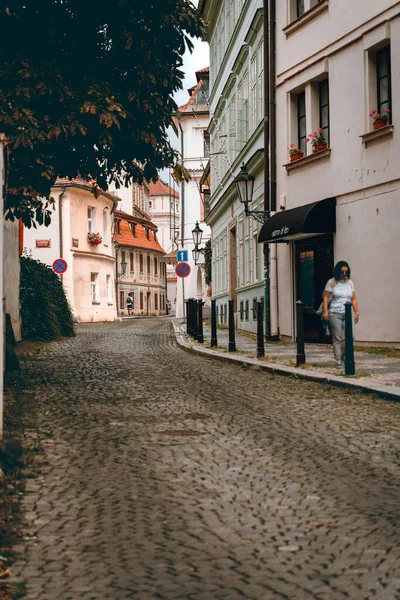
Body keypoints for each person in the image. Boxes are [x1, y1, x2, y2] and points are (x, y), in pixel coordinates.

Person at [322, 261, 359, 368]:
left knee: (350, 337)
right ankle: (338, 359)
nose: (344, 274)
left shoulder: (350, 283)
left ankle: (345, 355)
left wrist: (357, 312)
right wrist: (325, 311)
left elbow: (354, 299)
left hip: (348, 313)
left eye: (346, 272)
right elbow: (325, 297)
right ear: (338, 272)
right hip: (335, 312)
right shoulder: (332, 282)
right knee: (337, 337)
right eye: (342, 271)